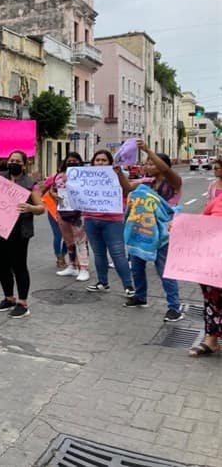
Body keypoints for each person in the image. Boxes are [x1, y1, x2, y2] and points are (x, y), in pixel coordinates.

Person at [117, 140, 185, 322]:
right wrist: (118, 171)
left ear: (163, 166)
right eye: (146, 162)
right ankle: (140, 296)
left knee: (164, 270)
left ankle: (174, 307)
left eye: (152, 162)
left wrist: (147, 149)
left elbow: (168, 171)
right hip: (142, 230)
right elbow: (126, 189)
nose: (147, 165)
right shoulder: (145, 183)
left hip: (164, 233)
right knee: (137, 265)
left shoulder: (174, 182)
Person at [0, 150, 45, 318]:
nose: (13, 163)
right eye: (11, 160)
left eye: (17, 161)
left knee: (19, 266)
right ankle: (9, 298)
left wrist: (30, 208)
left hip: (19, 231)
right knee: (2, 265)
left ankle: (23, 303)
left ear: (24, 164)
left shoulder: (30, 183)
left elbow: (41, 208)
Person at [82, 150, 135, 296]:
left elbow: (126, 191)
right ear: (92, 163)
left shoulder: (116, 175)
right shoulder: (85, 176)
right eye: (97, 160)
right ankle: (103, 282)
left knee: (118, 253)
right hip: (90, 219)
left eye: (104, 160)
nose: (100, 163)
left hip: (112, 221)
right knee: (98, 254)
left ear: (110, 163)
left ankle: (128, 286)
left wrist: (118, 173)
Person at [44, 153, 90, 282]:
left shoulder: (85, 176)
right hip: (63, 211)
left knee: (81, 241)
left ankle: (84, 268)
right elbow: (52, 190)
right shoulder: (59, 176)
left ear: (80, 163)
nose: (72, 163)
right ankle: (72, 266)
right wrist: (54, 195)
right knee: (68, 240)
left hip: (78, 212)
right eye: (69, 161)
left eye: (75, 161)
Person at [189, 177, 222, 356]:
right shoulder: (219, 199)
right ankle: (211, 341)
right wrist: (179, 226)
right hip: (214, 261)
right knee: (212, 299)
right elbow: (201, 221)